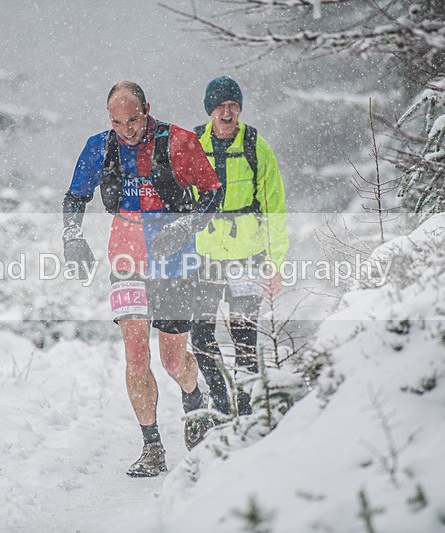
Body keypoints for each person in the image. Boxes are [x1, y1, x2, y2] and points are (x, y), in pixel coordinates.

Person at [62, 81, 223, 477]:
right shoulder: (99, 146)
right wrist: (72, 237)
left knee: (172, 360)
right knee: (136, 356)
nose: (127, 129)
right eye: (117, 122)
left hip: (175, 261)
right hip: (127, 256)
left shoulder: (179, 141)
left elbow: (213, 195)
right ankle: (152, 447)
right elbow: (74, 198)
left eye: (133, 120)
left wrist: (184, 226)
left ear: (146, 109)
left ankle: (193, 398)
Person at [191, 76, 289, 416]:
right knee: (201, 338)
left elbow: (275, 208)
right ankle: (222, 400)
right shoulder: (192, 144)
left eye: (233, 105)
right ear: (210, 111)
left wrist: (275, 262)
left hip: (248, 256)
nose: (228, 112)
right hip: (204, 258)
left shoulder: (255, 145)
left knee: (245, 340)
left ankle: (244, 411)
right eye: (221, 106)